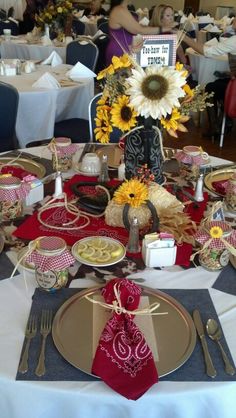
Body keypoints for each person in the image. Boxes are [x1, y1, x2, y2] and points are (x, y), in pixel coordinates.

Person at [182, 17, 236, 137]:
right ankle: (225, 120)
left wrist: (184, 37)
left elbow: (208, 52)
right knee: (220, 82)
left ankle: (215, 127)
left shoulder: (234, 40)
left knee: (210, 88)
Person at [105, 0, 174, 65]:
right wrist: (163, 29)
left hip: (127, 51)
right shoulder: (119, 10)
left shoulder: (123, 9)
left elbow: (137, 28)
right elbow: (139, 30)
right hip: (119, 53)